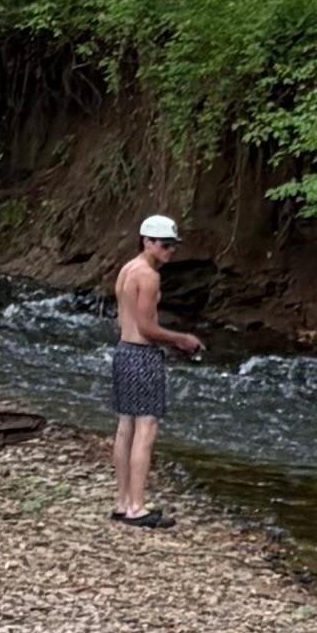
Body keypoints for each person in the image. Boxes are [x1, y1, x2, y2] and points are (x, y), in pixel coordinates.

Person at [108, 213, 204, 527]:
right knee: (146, 429)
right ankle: (137, 508)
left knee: (126, 426)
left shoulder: (127, 269)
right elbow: (147, 328)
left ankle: (123, 503)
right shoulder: (148, 276)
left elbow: (125, 322)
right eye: (164, 244)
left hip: (123, 351)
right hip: (142, 356)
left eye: (173, 245)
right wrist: (181, 339)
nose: (170, 250)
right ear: (147, 241)